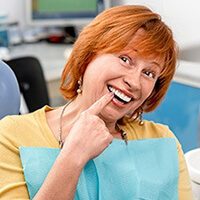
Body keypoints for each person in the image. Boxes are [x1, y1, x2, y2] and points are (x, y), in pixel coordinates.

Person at [0, 5, 194, 200]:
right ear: (87, 57)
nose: (134, 82)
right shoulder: (11, 136)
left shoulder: (164, 142)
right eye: (125, 59)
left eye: (149, 73)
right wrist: (73, 157)